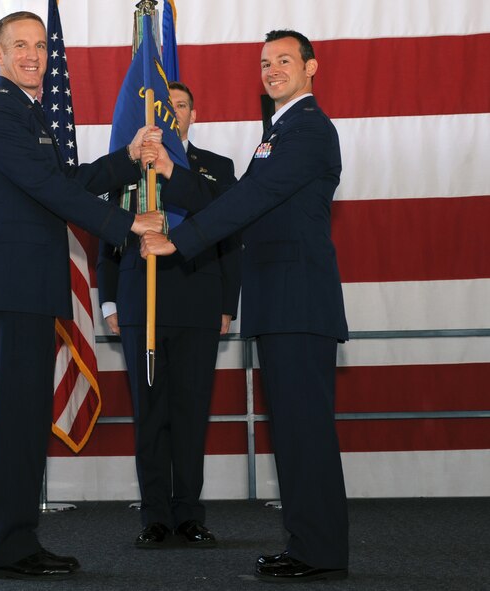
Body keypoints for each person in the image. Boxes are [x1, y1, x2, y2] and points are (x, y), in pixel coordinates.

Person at [140, 30, 349, 582]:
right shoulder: (277, 133)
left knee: (306, 431)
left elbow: (252, 200)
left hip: (299, 302)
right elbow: (236, 199)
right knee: (294, 431)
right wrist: (171, 176)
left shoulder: (307, 130)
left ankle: (321, 551)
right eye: (265, 62)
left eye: (285, 60)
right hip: (280, 302)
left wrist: (179, 240)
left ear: (311, 67)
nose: (273, 69)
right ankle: (309, 545)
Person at [0, 11, 163, 581]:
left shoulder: (27, 113)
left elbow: (67, 183)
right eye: (19, 46)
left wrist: (126, 157)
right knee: (15, 420)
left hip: (31, 284)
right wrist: (130, 227)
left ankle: (18, 540)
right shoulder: (1, 112)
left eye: (40, 45)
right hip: (15, 284)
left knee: (27, 418)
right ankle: (6, 547)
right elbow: (50, 189)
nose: (33, 54)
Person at [97, 82, 241, 549]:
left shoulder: (216, 168)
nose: (172, 113)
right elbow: (109, 240)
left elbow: (229, 234)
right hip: (143, 303)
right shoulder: (130, 166)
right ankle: (154, 515)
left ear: (192, 115)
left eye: (179, 106)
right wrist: (110, 300)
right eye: (164, 106)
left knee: (191, 414)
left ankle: (189, 515)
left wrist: (227, 303)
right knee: (151, 414)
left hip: (199, 304)